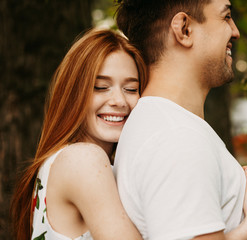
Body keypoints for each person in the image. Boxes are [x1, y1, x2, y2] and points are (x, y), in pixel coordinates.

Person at [114, 0, 247, 240]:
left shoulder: (168, 127)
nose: (235, 31)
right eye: (226, 16)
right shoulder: (177, 138)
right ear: (184, 30)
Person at [10, 28, 147, 240]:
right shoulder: (83, 159)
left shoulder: (60, 160)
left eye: (130, 89)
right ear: (74, 93)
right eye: (101, 87)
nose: (119, 101)